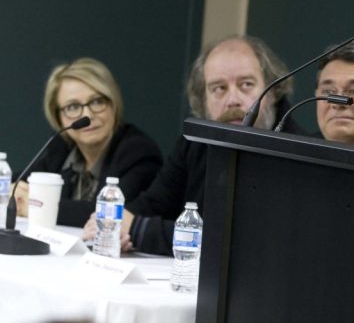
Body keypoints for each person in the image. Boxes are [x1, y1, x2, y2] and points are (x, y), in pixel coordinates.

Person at [83, 35, 301, 255]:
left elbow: (246, 243)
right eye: (219, 88)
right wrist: (115, 222)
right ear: (202, 98)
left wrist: (139, 229)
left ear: (273, 92)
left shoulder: (297, 153)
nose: (233, 99)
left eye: (246, 85)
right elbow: (154, 203)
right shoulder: (195, 143)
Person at [14, 58, 162, 227]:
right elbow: (21, 183)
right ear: (58, 117)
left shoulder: (137, 151)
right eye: (73, 107)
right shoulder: (61, 148)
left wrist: (37, 205)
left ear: (113, 104)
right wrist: (15, 190)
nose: (87, 116)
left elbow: (109, 213)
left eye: (97, 102)